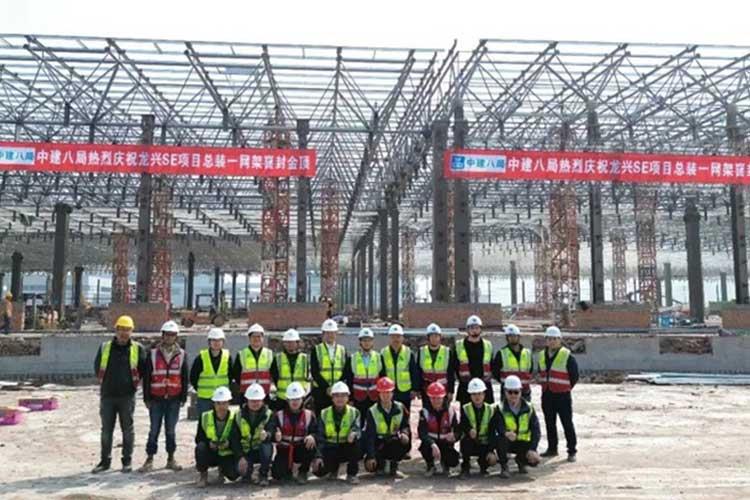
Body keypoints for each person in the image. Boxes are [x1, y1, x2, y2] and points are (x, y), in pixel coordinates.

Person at [91, 315, 147, 474]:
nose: (123, 333)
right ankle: (105, 462)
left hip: (127, 397)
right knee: (106, 430)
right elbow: (97, 367)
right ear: (116, 330)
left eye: (127, 330)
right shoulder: (105, 347)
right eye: (121, 329)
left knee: (127, 430)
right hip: (108, 396)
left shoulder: (138, 349)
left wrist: (131, 385)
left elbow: (143, 370)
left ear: (131, 331)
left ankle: (127, 461)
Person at [139, 320, 188, 473]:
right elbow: (147, 377)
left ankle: (171, 459)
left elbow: (184, 377)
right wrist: (147, 398)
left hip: (174, 399)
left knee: (170, 430)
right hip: (156, 399)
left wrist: (183, 398)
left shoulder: (182, 355)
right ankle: (149, 459)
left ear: (176, 337)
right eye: (167, 334)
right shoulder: (153, 354)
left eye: (172, 335)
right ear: (163, 335)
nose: (169, 337)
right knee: (154, 430)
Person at [537, 326, 579, 462]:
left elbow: (574, 375)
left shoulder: (567, 355)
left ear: (560, 340)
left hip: (562, 395)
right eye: (549, 339)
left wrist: (566, 387)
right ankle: (552, 448)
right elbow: (540, 372)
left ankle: (571, 451)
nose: (552, 341)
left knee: (567, 423)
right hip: (547, 394)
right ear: (546, 340)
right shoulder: (541, 355)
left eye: (555, 339)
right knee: (550, 423)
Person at [312, 381, 362, 484]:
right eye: (336, 396)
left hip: (346, 448)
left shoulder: (354, 412)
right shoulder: (324, 413)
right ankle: (333, 469)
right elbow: (320, 436)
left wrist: (354, 433)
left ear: (348, 397)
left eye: (343, 395)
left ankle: (352, 474)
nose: (340, 399)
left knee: (356, 442)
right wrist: (318, 456)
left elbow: (358, 429)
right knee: (319, 471)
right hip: (330, 448)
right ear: (332, 398)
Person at [364, 377, 411, 478]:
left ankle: (394, 468)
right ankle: (381, 466)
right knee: (370, 467)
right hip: (379, 443)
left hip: (394, 441)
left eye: (388, 392)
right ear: (379, 394)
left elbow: (405, 425)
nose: (386, 395)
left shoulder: (400, 407)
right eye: (383, 392)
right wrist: (371, 456)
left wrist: (405, 433)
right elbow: (370, 435)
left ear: (392, 393)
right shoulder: (372, 411)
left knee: (403, 442)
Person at [271, 382, 317, 484]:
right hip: (285, 449)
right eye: (292, 399)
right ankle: (287, 472)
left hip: (302, 449)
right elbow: (272, 431)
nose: (295, 402)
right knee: (277, 474)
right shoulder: (279, 415)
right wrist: (275, 436)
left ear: (302, 399)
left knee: (311, 444)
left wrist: (312, 436)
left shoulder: (309, 415)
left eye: (297, 399)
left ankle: (303, 472)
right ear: (287, 400)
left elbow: (316, 431)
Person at [497, 375, 541, 478]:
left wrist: (533, 449)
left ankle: (521, 461)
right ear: (505, 392)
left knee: (535, 460)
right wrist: (505, 433)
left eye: (516, 392)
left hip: (523, 442)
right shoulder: (500, 408)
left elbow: (536, 430)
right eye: (510, 392)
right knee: (500, 440)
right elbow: (497, 426)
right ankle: (504, 467)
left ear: (521, 392)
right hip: (507, 442)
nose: (513, 395)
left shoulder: (529, 408)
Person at [195, 386, 240, 487]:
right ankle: (203, 476)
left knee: (233, 475)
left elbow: (238, 438)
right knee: (200, 448)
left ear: (229, 403)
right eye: (218, 403)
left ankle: (222, 472)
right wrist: (209, 443)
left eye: (224, 403)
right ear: (214, 404)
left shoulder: (235, 417)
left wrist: (229, 443)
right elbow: (199, 438)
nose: (221, 406)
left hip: (226, 453)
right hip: (211, 452)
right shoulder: (205, 416)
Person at [232, 383, 274, 486]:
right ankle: (248, 473)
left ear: (262, 400)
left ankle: (263, 474)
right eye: (252, 401)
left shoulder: (268, 414)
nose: (255, 403)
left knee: (267, 446)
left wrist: (267, 435)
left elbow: (272, 430)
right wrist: (240, 456)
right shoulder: (238, 415)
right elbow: (234, 439)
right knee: (238, 472)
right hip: (245, 452)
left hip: (260, 450)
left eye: (258, 400)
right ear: (247, 400)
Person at [459, 378, 500, 479]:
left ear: (484, 394)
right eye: (474, 394)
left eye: (479, 393)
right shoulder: (465, 408)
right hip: (471, 442)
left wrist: (491, 450)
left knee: (492, 459)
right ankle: (465, 468)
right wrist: (469, 430)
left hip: (485, 443)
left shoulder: (491, 410)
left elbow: (493, 431)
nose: (477, 396)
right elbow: (463, 424)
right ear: (470, 395)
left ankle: (483, 467)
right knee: (465, 441)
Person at [418, 381, 461, 477]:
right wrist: (432, 444)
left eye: (439, 398)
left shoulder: (450, 411)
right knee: (425, 448)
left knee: (453, 459)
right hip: (431, 443)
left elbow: (458, 430)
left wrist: (454, 436)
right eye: (433, 398)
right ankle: (430, 465)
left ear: (443, 397)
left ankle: (446, 465)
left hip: (446, 443)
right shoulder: (424, 412)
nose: (436, 401)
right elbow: (422, 432)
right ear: (429, 398)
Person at [344, 327, 384, 424]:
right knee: (359, 422)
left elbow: (382, 377)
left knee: (374, 422)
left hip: (374, 396)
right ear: (360, 342)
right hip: (358, 397)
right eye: (364, 340)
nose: (366, 343)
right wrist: (350, 398)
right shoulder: (352, 358)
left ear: (372, 342)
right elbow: (349, 379)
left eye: (369, 340)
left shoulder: (378, 357)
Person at [454, 315, 495, 405]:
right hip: (466, 387)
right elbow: (455, 366)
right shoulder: (459, 345)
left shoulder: (488, 345)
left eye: (477, 328)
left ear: (480, 329)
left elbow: (492, 365)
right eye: (472, 328)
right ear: (467, 330)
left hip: (484, 386)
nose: (474, 330)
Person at [190, 327, 231, 416]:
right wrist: (201, 389)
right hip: (205, 398)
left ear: (223, 342)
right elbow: (193, 377)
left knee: (222, 422)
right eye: (214, 340)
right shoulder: (201, 357)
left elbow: (231, 375)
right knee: (205, 422)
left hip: (222, 398)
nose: (216, 343)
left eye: (219, 340)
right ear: (209, 342)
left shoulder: (227, 357)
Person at [310, 319, 347, 415]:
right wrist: (326, 388)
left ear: (336, 334)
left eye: (332, 333)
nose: (330, 335)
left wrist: (336, 387)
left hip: (338, 392)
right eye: (328, 333)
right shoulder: (316, 350)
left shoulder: (342, 350)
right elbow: (314, 372)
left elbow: (345, 371)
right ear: (323, 334)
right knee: (322, 417)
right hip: (321, 392)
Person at [381, 324, 418, 411]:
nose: (396, 339)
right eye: (393, 337)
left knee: (405, 413)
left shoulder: (408, 352)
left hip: (405, 391)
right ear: (389, 338)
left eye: (398, 336)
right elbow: (382, 373)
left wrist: (414, 389)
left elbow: (414, 372)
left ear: (402, 338)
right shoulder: (383, 353)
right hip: (389, 391)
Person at [271, 328, 310, 411]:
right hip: (283, 398)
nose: (290, 344)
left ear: (297, 343)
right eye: (287, 342)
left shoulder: (304, 358)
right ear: (284, 343)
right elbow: (274, 377)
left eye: (292, 342)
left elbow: (307, 378)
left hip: (299, 398)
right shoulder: (278, 358)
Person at [233, 323, 273, 401]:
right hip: (246, 394)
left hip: (264, 393)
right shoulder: (241, 354)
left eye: (259, 336)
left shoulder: (269, 354)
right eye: (253, 336)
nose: (256, 339)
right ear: (249, 338)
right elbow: (236, 374)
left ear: (263, 338)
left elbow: (274, 373)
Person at [492, 324, 533, 401]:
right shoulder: (501, 353)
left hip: (524, 391)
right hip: (508, 392)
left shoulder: (527, 353)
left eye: (514, 336)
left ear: (519, 337)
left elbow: (530, 370)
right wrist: (505, 382)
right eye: (510, 336)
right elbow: (495, 372)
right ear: (507, 338)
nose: (512, 338)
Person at [416, 323, 455, 401]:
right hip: (426, 390)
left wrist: (451, 391)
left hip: (443, 389)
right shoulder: (422, 351)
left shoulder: (447, 351)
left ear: (440, 337)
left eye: (436, 336)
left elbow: (451, 372)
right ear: (428, 338)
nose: (434, 339)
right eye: (432, 336)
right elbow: (418, 372)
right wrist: (418, 389)